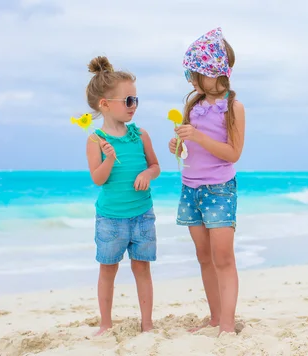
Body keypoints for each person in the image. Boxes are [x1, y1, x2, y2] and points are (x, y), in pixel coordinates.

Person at [169, 27, 245, 335]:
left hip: (219, 190)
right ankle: (215, 317)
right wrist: (179, 147)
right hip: (191, 188)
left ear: (215, 73)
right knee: (204, 257)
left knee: (223, 258)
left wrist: (198, 136)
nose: (190, 78)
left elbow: (233, 153)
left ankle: (227, 325)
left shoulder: (233, 108)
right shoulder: (193, 105)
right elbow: (192, 148)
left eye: (195, 72)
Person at [84, 55, 161, 336]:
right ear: (105, 104)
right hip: (111, 218)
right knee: (108, 271)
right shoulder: (96, 140)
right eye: (128, 101)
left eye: (136, 100)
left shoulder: (140, 135)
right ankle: (106, 324)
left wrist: (146, 175)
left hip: (142, 214)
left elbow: (155, 166)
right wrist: (107, 160)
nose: (134, 106)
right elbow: (98, 179)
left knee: (142, 269)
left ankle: (147, 324)